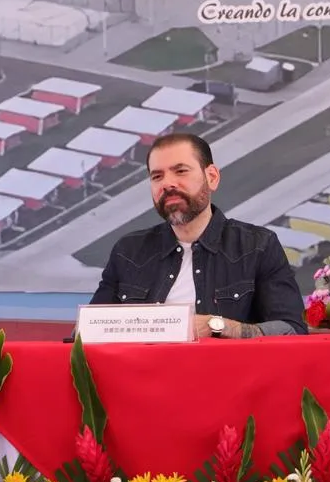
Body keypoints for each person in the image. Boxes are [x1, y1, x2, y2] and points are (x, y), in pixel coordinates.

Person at [90, 132, 306, 337]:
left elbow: (292, 329)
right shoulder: (128, 251)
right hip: (143, 364)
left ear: (211, 177)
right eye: (157, 176)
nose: (167, 183)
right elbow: (86, 332)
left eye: (181, 171)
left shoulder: (258, 246)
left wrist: (218, 326)